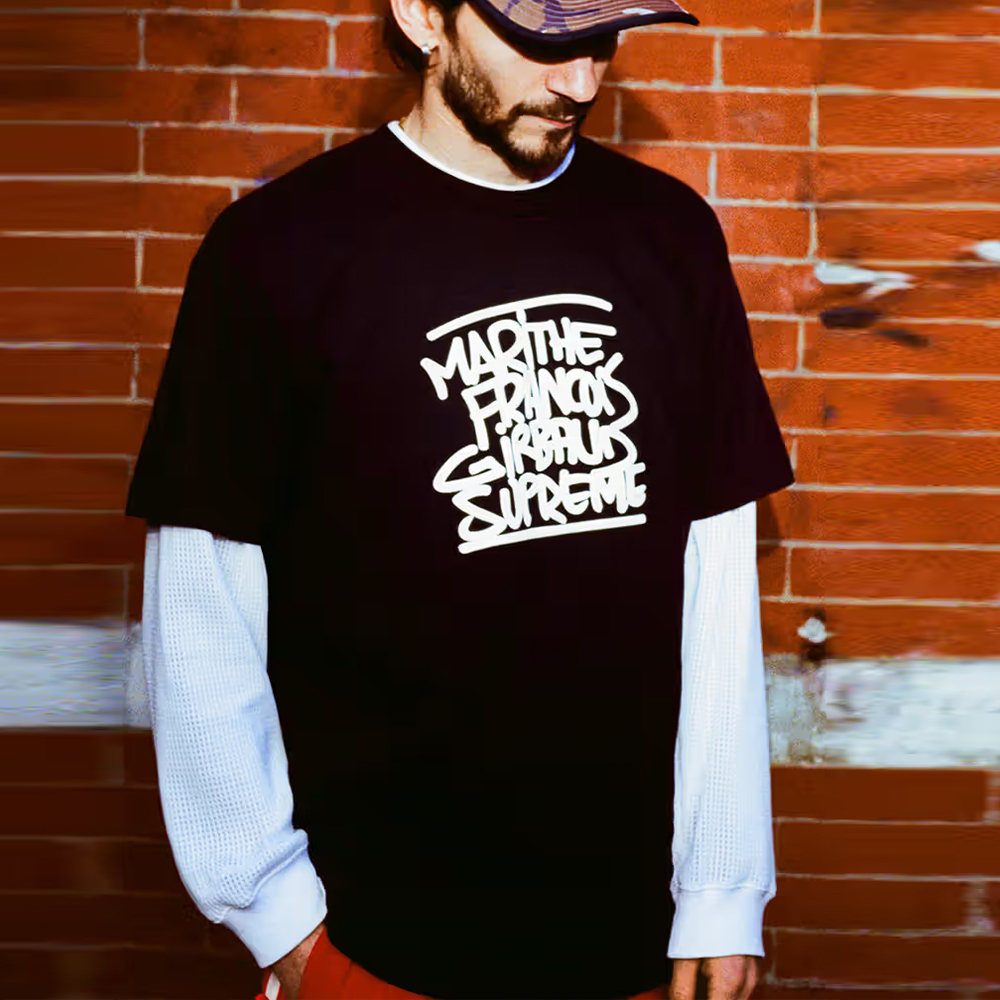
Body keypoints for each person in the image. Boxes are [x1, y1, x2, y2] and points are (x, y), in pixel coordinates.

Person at [125, 0, 795, 995]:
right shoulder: (276, 250)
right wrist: (280, 921)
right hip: (376, 936)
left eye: (600, 42)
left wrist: (722, 893)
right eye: (540, 39)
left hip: (634, 934)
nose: (579, 83)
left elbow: (717, 580)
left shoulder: (669, 235)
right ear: (421, 14)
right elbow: (201, 607)